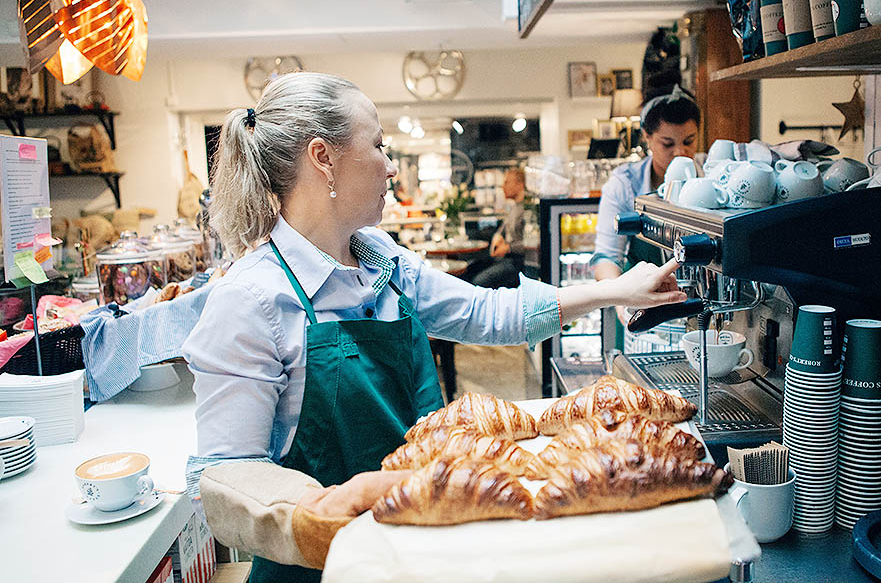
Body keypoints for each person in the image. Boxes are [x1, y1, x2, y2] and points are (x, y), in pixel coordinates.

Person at [186, 72, 685, 580]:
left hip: (419, 553)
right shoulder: (250, 301)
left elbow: (488, 314)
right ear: (324, 159)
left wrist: (617, 290)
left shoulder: (380, 260)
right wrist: (335, 505)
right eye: (379, 147)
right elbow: (227, 478)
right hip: (324, 569)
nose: (390, 170)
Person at [591, 85, 700, 340]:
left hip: (698, 303)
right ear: (647, 137)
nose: (680, 152)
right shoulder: (624, 183)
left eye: (689, 141)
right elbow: (606, 257)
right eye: (667, 143)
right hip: (641, 303)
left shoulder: (712, 175)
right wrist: (621, 299)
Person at [471, 168, 526, 288]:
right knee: (470, 269)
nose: (502, 186)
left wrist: (509, 248)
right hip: (504, 259)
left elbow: (532, 243)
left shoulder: (526, 210)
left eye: (507, 182)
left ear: (519, 185)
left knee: (478, 283)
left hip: (517, 262)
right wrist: (498, 236)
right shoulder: (514, 207)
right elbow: (503, 227)